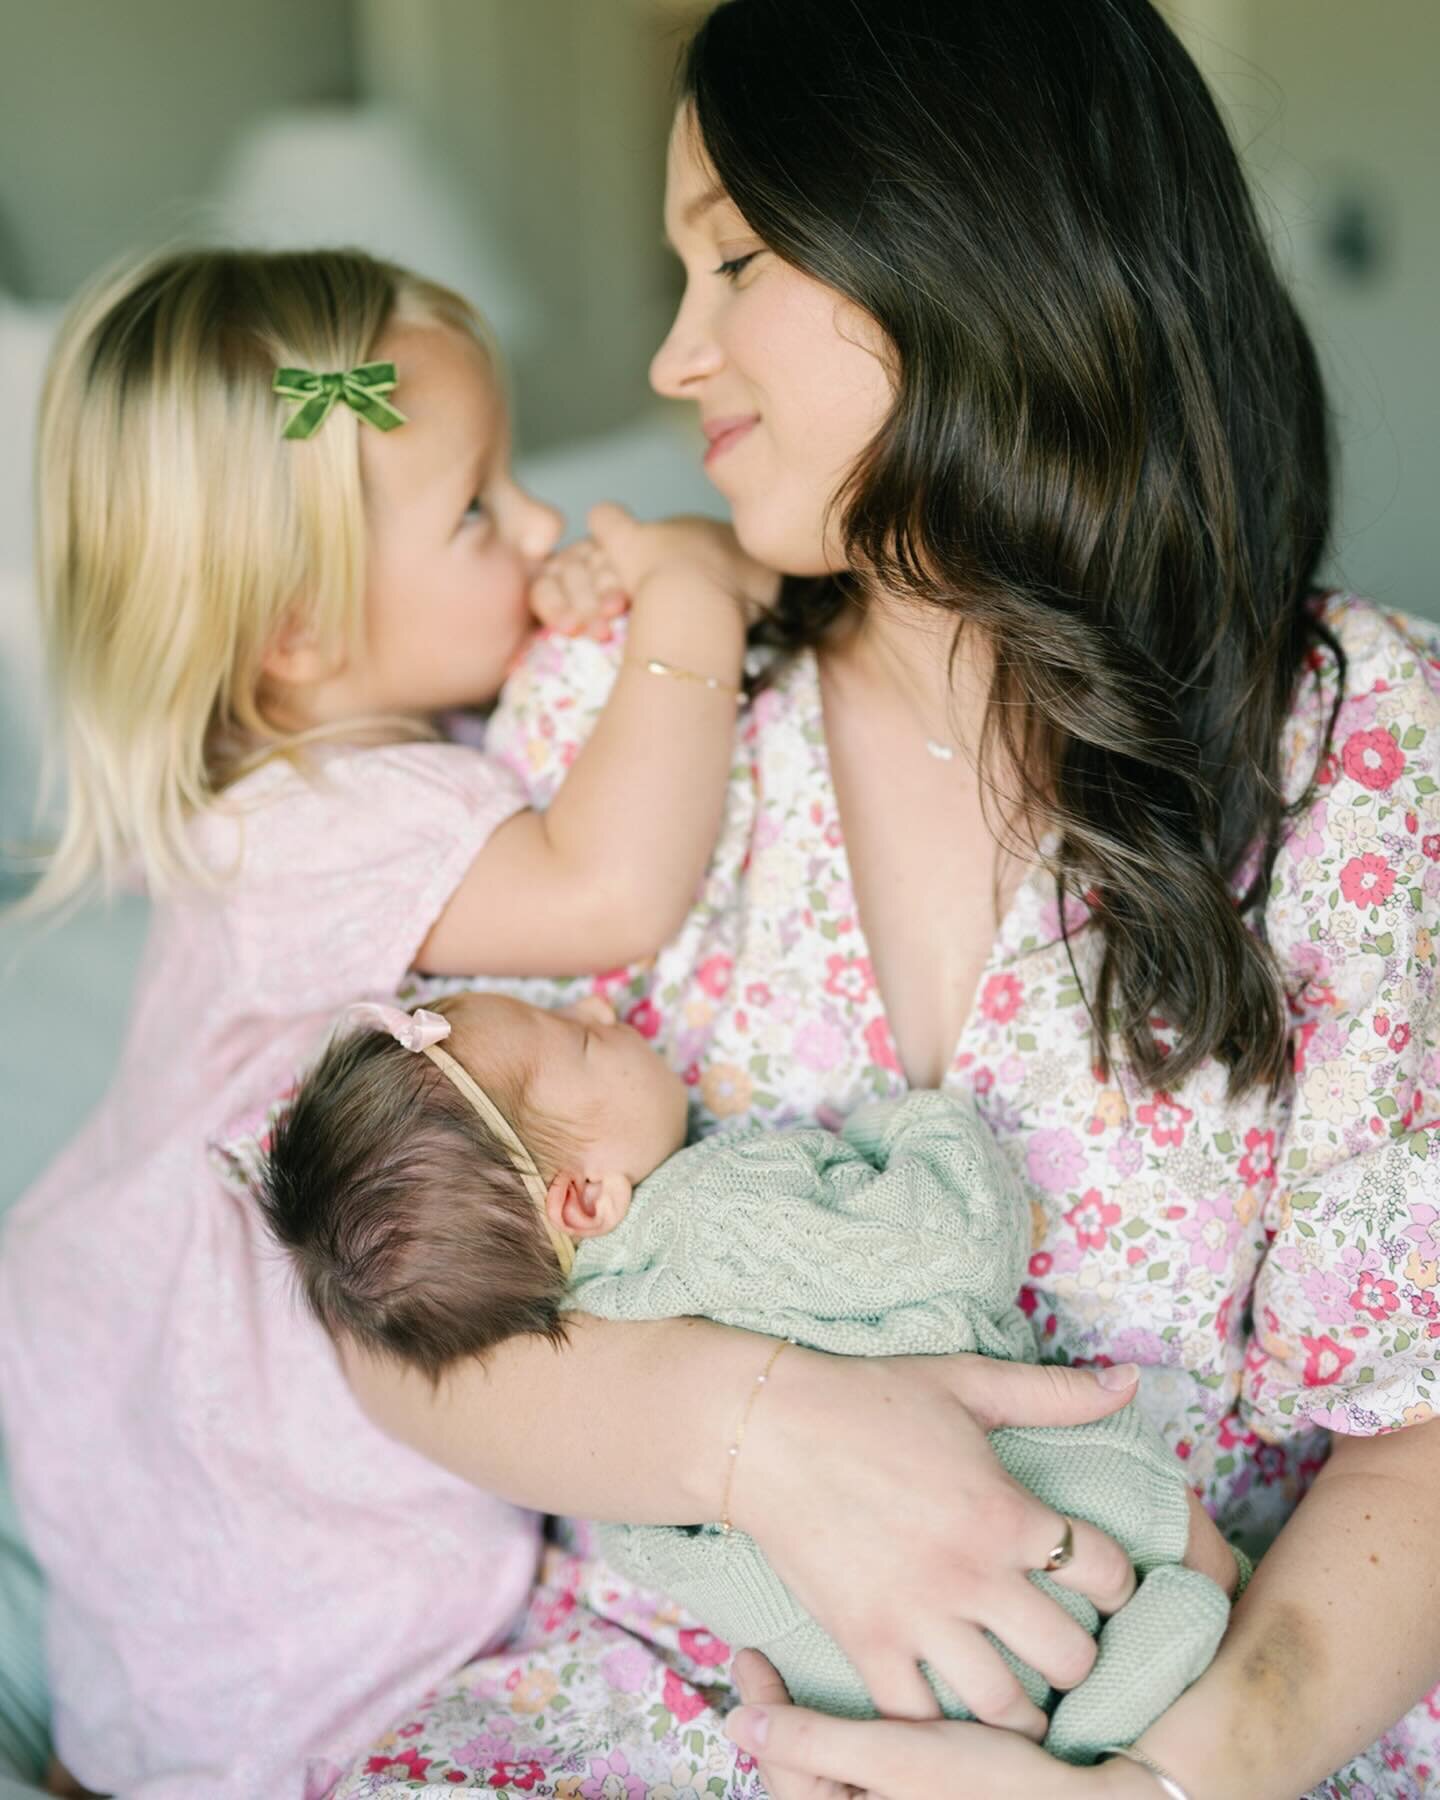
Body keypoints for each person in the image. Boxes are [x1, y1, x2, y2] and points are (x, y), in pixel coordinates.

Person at [316, 2, 1440, 1797]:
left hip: (1196, 1706)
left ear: (966, 237)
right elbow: (377, 1291)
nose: (678, 356)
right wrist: (765, 1444)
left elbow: (1417, 1436)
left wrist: (1168, 1782)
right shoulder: (630, 718)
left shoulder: (1362, 748)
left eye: (733, 257)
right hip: (689, 1715)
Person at [0, 242, 775, 1796]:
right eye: (480, 508)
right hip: (222, 1423)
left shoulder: (329, 765)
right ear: (297, 629)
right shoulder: (318, 820)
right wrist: (687, 592)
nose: (542, 521)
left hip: (107, 1328)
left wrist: (574, 605)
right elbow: (610, 885)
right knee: (306, 1667)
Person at [253, 990, 1239, 1755]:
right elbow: (945, 1245)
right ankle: (1157, 1654)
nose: (602, 1010)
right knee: (1141, 1513)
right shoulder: (720, 1210)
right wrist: (925, 1129)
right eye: (581, 1039)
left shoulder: (576, 1376)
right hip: (1011, 1532)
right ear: (587, 1195)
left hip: (856, 1682)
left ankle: (1086, 1734)